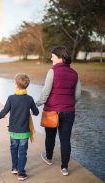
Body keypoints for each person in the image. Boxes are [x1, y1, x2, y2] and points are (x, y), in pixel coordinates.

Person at [36, 46, 81, 176]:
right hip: (69, 111)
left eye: (53, 56)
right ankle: (64, 168)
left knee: (50, 136)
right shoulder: (74, 73)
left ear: (60, 57)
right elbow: (77, 95)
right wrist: (70, 104)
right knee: (65, 139)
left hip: (52, 110)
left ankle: (49, 158)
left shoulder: (52, 71)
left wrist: (36, 104)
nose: (51, 58)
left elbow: (45, 93)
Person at [0, 73, 39, 181]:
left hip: (13, 130)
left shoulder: (11, 98)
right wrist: (31, 112)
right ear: (27, 85)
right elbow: (36, 112)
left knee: (14, 148)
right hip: (24, 131)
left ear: (16, 84)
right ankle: (21, 173)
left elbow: (4, 112)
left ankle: (14, 167)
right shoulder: (29, 99)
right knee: (23, 151)